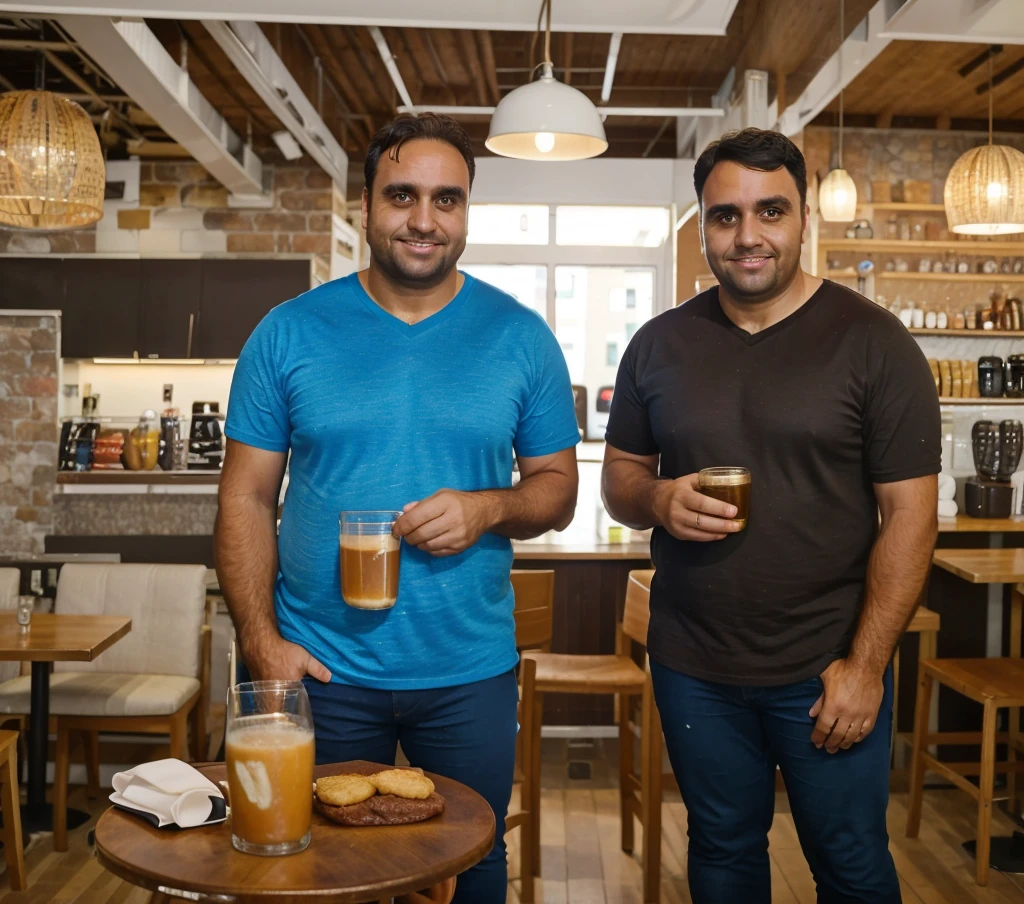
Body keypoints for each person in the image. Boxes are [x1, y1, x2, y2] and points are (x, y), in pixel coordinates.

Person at [215, 113, 580, 902]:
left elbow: (558, 488)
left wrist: (485, 509)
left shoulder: (521, 337)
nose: (424, 219)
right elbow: (244, 496)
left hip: (468, 671)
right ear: (367, 206)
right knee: (310, 871)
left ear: (468, 209)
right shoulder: (287, 333)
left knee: (473, 864)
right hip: (320, 669)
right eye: (402, 196)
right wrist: (260, 642)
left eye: (446, 199)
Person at [601, 128, 939, 903]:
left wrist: (865, 668)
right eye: (725, 216)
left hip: (824, 669)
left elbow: (912, 519)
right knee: (720, 853)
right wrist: (656, 498)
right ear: (701, 223)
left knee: (850, 862)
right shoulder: (659, 344)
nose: (747, 236)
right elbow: (620, 480)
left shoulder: (875, 344)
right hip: (693, 666)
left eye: (770, 212)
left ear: (804, 216)